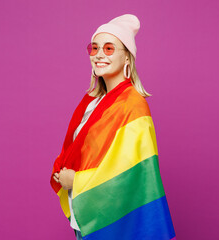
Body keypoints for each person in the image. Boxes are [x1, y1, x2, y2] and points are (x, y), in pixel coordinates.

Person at [50, 14, 176, 240]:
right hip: (85, 217)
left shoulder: (133, 106)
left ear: (127, 57)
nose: (99, 54)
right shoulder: (91, 104)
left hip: (113, 221)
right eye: (94, 47)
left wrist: (76, 181)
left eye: (109, 49)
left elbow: (131, 175)